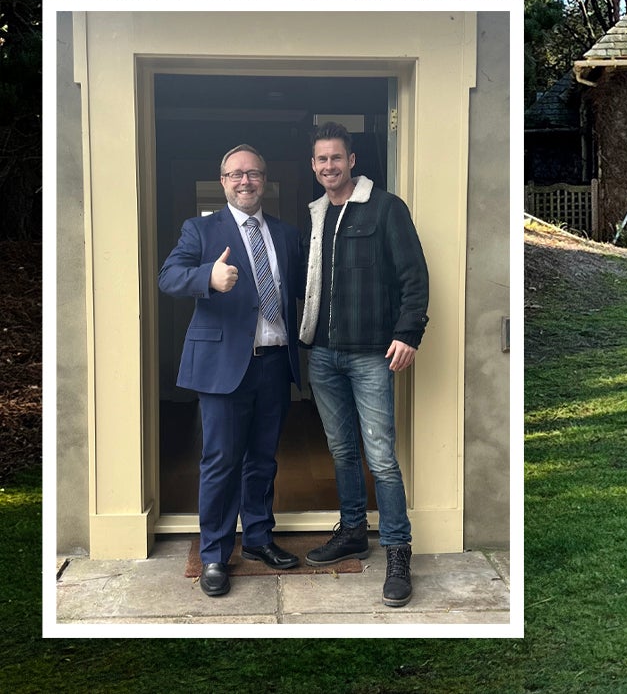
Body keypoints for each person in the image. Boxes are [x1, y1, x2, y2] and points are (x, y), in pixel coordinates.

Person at [158, 146, 306, 597]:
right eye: (235, 174)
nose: (245, 181)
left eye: (254, 174)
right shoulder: (201, 229)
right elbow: (168, 276)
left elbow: (304, 288)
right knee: (221, 462)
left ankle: (259, 540)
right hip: (223, 368)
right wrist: (208, 278)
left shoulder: (284, 234)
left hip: (275, 363)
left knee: (263, 459)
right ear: (223, 181)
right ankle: (216, 554)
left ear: (265, 181)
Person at [299, 122, 430, 607]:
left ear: (352, 160)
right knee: (342, 452)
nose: (328, 166)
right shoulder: (316, 214)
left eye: (336, 158)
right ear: (314, 166)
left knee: (381, 458)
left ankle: (398, 550)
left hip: (373, 354)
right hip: (324, 355)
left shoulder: (386, 208)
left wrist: (408, 333)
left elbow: (414, 276)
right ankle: (353, 531)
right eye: (320, 160)